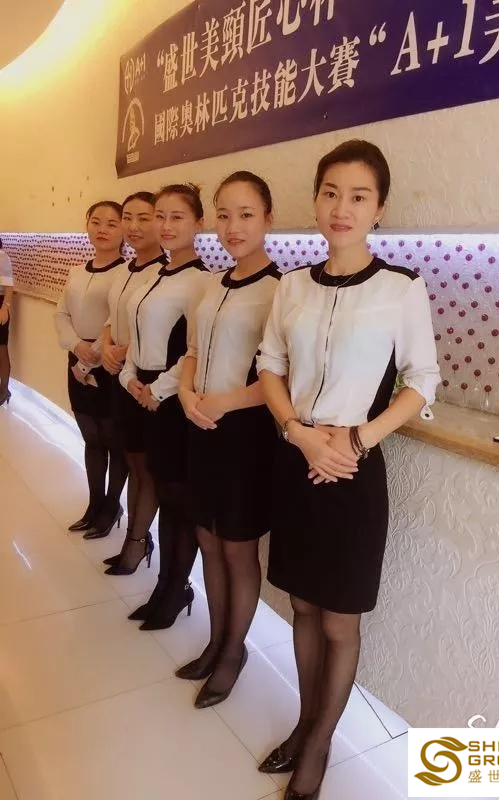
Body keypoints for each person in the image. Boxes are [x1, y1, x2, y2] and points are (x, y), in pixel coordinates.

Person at [257, 140, 441, 799]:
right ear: (316, 200)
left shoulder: (401, 287)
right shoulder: (292, 286)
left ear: (379, 208)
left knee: (338, 618)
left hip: (354, 473)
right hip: (297, 459)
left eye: (359, 196)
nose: (342, 207)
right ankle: (305, 723)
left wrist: (357, 440)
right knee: (302, 605)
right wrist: (298, 433)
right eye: (331, 192)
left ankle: (318, 745)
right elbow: (271, 366)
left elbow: (421, 381)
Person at [176, 172, 280, 709]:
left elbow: (280, 379)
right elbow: (193, 350)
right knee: (208, 540)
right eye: (223, 214)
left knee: (238, 549)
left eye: (246, 214)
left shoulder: (281, 290)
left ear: (268, 219)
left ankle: (234, 651)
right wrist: (186, 391)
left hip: (245, 434)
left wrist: (223, 402)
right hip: (201, 424)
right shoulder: (213, 284)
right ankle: (216, 641)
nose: (232, 226)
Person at [120, 184, 211, 629]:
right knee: (165, 493)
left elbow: (195, 350)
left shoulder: (203, 281)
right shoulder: (154, 274)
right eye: (161, 215)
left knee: (178, 499)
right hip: (144, 393)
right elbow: (134, 334)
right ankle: (165, 585)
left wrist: (158, 389)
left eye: (177, 217)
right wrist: (129, 377)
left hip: (174, 401)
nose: (166, 225)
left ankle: (176, 587)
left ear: (198, 223)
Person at [101, 192, 169, 575]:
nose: (133, 226)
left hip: (148, 383)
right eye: (128, 217)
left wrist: (124, 350)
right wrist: (107, 345)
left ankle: (138, 542)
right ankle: (133, 537)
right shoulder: (125, 269)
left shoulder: (165, 271)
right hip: (122, 378)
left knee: (147, 469)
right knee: (131, 460)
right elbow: (113, 317)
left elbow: (163, 334)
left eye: (145, 218)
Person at [54, 202, 129, 538]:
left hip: (108, 362)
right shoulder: (76, 271)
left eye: (112, 223)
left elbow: (117, 320)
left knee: (114, 439)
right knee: (91, 438)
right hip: (77, 357)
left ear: (124, 230)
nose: (102, 229)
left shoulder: (126, 273)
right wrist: (76, 347)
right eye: (96, 222)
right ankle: (94, 504)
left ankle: (112, 506)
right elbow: (61, 314)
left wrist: (92, 355)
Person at [0, 237, 13, 407]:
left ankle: (4, 389)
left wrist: (4, 308)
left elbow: (9, 287)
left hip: (0, 305)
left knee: (1, 348)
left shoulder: (2, 257)